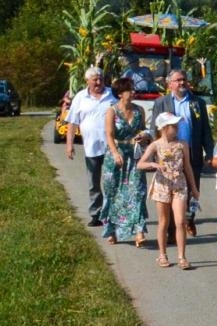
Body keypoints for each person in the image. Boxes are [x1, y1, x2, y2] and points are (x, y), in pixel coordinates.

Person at [148, 67, 213, 236]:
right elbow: (154, 129)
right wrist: (156, 153)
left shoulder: (197, 103)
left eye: (183, 79)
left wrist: (210, 153)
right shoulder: (161, 103)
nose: (182, 83)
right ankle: (172, 230)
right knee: (170, 192)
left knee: (192, 189)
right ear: (170, 84)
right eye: (178, 80)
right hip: (170, 155)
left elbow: (205, 129)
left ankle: (189, 219)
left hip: (193, 152)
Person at [136, 111, 199, 269]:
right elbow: (140, 164)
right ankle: (162, 254)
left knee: (180, 221)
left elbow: (188, 167)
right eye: (173, 126)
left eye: (177, 125)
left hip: (179, 184)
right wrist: (154, 164)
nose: (176, 128)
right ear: (164, 128)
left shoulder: (182, 144)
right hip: (162, 185)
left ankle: (182, 257)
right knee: (164, 221)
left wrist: (194, 187)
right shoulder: (155, 145)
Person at [64, 65, 116, 226]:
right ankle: (96, 213)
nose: (99, 82)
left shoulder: (112, 95)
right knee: (93, 183)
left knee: (111, 181)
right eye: (95, 80)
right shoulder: (80, 97)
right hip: (91, 147)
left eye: (100, 79)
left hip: (111, 147)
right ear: (87, 81)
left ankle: (110, 214)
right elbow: (72, 123)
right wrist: (69, 144)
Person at [101, 76, 150, 247]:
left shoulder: (139, 110)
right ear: (120, 93)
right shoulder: (112, 111)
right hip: (116, 155)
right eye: (130, 90)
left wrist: (144, 135)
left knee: (138, 192)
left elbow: (143, 129)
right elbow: (109, 134)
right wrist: (114, 153)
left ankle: (139, 231)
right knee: (113, 192)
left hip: (134, 156)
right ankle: (111, 230)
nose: (133, 92)